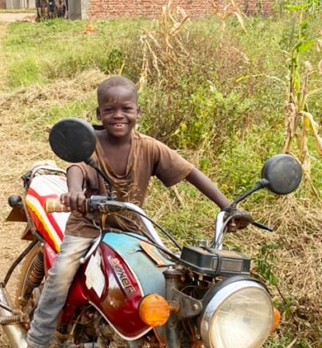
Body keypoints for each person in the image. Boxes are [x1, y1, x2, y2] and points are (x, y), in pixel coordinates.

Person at [26, 76, 249, 348]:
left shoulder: (149, 147)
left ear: (138, 112)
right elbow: (77, 168)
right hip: (87, 227)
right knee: (61, 274)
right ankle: (37, 339)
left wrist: (228, 207)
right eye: (109, 110)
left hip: (131, 227)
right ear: (98, 114)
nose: (118, 115)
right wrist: (74, 192)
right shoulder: (91, 145)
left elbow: (191, 173)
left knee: (170, 274)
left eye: (126, 109)